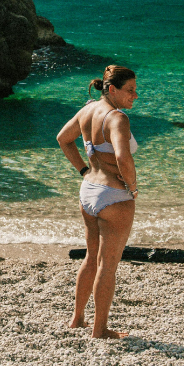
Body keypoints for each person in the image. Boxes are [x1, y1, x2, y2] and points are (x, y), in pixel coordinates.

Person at [55, 65, 140, 340]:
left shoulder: (88, 110)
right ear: (112, 89)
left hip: (89, 190)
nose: (135, 96)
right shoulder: (117, 118)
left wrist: (83, 170)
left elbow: (63, 139)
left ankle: (77, 318)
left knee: (91, 257)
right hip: (113, 196)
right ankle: (100, 329)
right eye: (130, 90)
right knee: (107, 264)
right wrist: (133, 187)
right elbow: (123, 157)